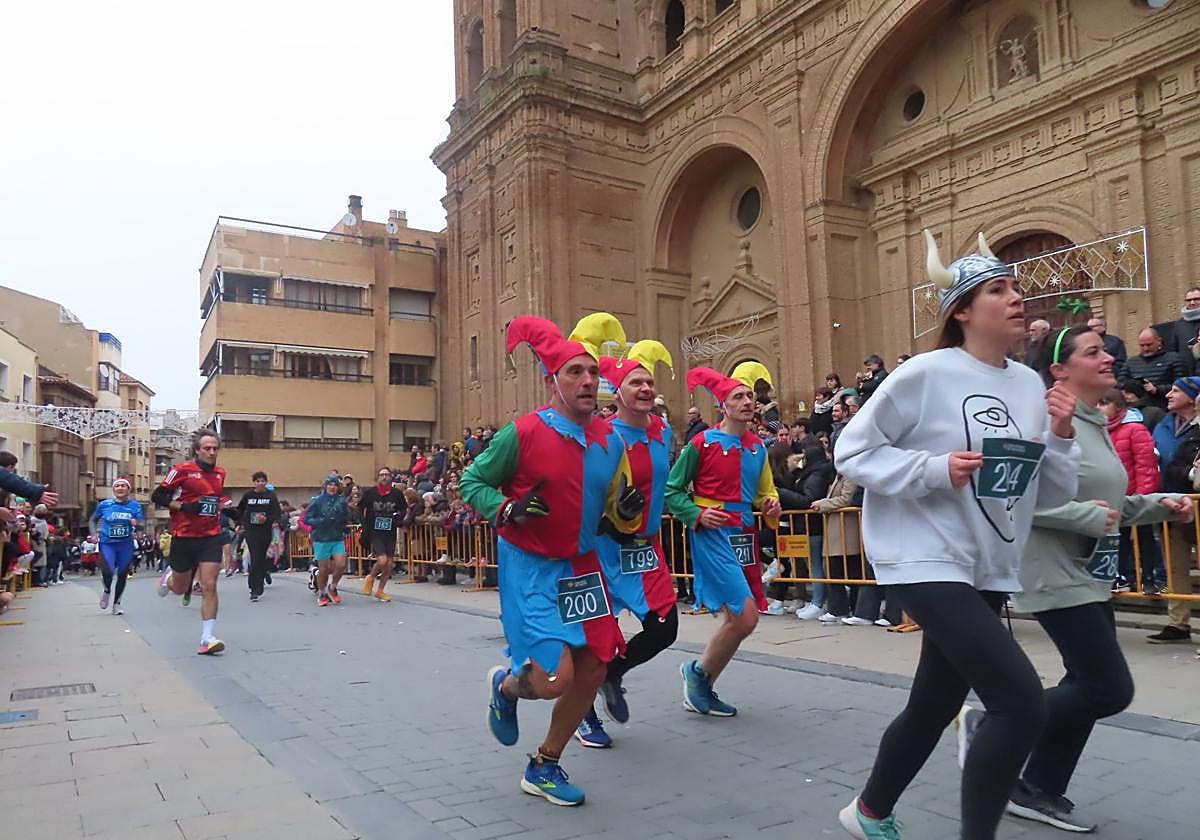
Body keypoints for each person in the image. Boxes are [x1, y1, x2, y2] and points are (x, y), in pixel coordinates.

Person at [833, 230, 1080, 840]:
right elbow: (852, 452)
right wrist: (933, 469)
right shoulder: (924, 373)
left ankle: (868, 811)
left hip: (987, 564)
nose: (1017, 297)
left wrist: (1060, 438)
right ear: (962, 311)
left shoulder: (1029, 386)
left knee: (935, 703)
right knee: (1019, 703)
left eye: (1016, 287)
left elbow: (1047, 495)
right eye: (998, 289)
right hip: (921, 557)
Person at [985, 326, 1193, 832]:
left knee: (1084, 684)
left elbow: (1110, 506)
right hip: (1052, 573)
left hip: (1091, 573)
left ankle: (1036, 788)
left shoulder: (1095, 422)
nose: (1109, 358)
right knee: (1107, 689)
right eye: (1093, 352)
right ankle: (995, 729)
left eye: (1107, 350)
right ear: (1060, 370)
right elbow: (1004, 493)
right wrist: (1086, 517)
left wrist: (1159, 504)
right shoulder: (1037, 419)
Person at [461, 315, 644, 807]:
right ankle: (506, 688)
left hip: (582, 568)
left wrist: (626, 513)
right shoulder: (521, 433)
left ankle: (544, 764)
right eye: (574, 372)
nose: (587, 381)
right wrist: (506, 508)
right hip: (532, 566)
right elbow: (472, 482)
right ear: (552, 381)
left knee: (594, 669)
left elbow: (617, 512)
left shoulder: (610, 440)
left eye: (592, 373)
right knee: (552, 679)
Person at [574, 322, 679, 748]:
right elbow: (586, 488)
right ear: (617, 392)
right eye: (636, 382)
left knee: (664, 628)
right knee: (594, 640)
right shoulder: (603, 435)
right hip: (605, 548)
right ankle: (582, 713)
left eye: (649, 382)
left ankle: (613, 675)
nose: (645, 388)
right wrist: (609, 515)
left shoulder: (663, 431)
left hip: (646, 548)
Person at [666, 361, 782, 717]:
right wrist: (697, 514)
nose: (747, 402)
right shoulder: (702, 443)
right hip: (713, 534)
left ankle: (700, 679)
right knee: (745, 618)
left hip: (744, 534)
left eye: (750, 396)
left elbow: (765, 492)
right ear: (723, 406)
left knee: (740, 618)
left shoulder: (758, 447)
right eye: (738, 397)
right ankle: (698, 676)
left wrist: (770, 505)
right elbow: (672, 490)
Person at [152, 429, 230, 655]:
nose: (212, 452)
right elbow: (158, 496)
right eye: (207, 448)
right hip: (184, 536)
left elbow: (214, 498)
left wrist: (227, 508)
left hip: (211, 535)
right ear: (197, 450)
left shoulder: (220, 473)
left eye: (215, 448)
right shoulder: (181, 470)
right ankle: (168, 579)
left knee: (209, 585)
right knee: (179, 588)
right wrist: (185, 507)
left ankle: (207, 638)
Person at [1099, 389, 1166, 595]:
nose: (1098, 408)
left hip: (1135, 496)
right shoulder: (1099, 431)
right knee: (1118, 539)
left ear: (1119, 407)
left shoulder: (1135, 429)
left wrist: (1141, 495)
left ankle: (1150, 578)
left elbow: (1146, 466)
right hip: (1114, 498)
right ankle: (1122, 577)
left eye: (1104, 403)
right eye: (1097, 403)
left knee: (1145, 537)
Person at [1152, 376, 1200, 644]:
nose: (1168, 395)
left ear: (1194, 398)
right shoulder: (1164, 424)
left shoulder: (1196, 428)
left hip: (1195, 502)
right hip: (1171, 501)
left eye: (1175, 391)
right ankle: (1178, 623)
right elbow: (1166, 464)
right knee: (1175, 566)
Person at [90, 477, 144, 615]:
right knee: (107, 571)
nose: (120, 488)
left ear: (128, 489)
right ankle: (107, 590)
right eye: (117, 486)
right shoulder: (105, 504)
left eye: (123, 486)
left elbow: (141, 523)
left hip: (125, 544)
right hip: (107, 543)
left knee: (122, 574)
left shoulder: (135, 506)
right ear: (113, 489)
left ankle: (116, 604)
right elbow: (93, 520)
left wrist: (137, 524)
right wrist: (94, 534)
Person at [358, 466, 406, 602]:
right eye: (381, 475)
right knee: (382, 560)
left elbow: (403, 509)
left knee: (389, 564)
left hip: (390, 531)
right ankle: (371, 578)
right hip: (375, 531)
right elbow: (360, 508)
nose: (384, 477)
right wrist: (363, 524)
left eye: (386, 474)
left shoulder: (397, 494)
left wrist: (399, 517)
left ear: (390, 477)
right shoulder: (371, 493)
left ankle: (380, 591)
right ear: (378, 478)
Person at [305, 475, 352, 606]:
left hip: (337, 537)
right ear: (325, 487)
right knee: (323, 569)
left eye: (335, 485)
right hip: (321, 538)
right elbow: (307, 518)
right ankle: (322, 593)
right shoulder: (317, 501)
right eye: (330, 484)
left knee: (341, 564)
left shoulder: (341, 501)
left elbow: (347, 516)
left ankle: (333, 587)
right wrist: (321, 521)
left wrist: (343, 522)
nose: (332, 487)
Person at [237, 471, 281, 602]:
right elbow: (240, 510)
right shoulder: (248, 495)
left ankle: (263, 575)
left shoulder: (271, 496)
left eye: (263, 481)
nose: (260, 483)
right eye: (258, 481)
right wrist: (239, 524)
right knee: (255, 557)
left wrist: (267, 519)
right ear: (254, 482)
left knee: (261, 558)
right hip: (251, 530)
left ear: (266, 482)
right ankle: (254, 588)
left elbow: (276, 513)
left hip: (265, 530)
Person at [1127, 328, 1187, 407]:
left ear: (1159, 341)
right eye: (1142, 345)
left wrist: (1157, 389)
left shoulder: (1174, 358)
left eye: (1149, 345)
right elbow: (1121, 383)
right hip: (1137, 407)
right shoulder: (1131, 362)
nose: (1146, 348)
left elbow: (1182, 384)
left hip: (1165, 405)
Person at [1158, 285, 1200, 375]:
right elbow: (1174, 350)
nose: (1192, 302)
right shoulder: (1179, 324)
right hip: (1187, 374)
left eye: (1196, 299)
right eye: (1188, 300)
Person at [1086, 316, 1128, 381]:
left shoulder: (1115, 341)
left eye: (1093, 326)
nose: (1090, 329)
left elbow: (1121, 363)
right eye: (1088, 327)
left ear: (1103, 327)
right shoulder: (1083, 342)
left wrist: (1107, 371)